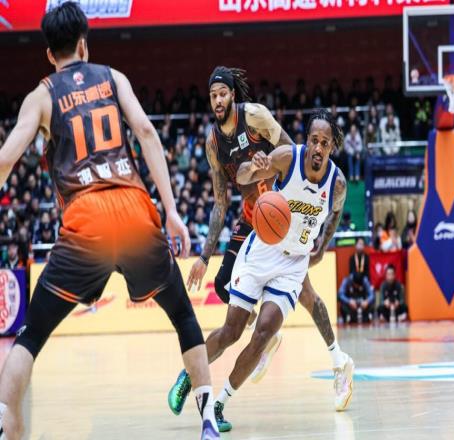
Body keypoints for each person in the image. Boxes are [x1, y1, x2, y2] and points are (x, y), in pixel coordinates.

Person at [0, 4, 219, 439]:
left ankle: (5, 421)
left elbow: (7, 159)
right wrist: (172, 211)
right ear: (84, 44)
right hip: (135, 211)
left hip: (87, 221)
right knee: (182, 315)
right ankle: (209, 419)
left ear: (50, 54)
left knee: (32, 334)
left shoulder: (41, 97)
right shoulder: (114, 78)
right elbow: (147, 133)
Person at [169, 69, 349, 416]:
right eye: (213, 95)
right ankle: (192, 372)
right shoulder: (213, 143)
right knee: (227, 303)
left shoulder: (256, 117)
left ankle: (325, 358)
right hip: (260, 221)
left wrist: (321, 243)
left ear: (233, 95)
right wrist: (204, 256)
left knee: (290, 311)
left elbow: (288, 150)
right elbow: (223, 199)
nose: (218, 100)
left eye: (223, 93)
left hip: (284, 224)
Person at [205, 109, 354, 431]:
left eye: (324, 143)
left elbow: (336, 213)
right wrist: (253, 167)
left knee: (265, 330)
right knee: (232, 330)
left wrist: (321, 247)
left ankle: (220, 403)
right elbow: (242, 176)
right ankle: (192, 374)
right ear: (307, 140)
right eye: (314, 140)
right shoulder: (288, 157)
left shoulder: (338, 183)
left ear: (332, 147)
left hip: (294, 261)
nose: (318, 147)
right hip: (264, 249)